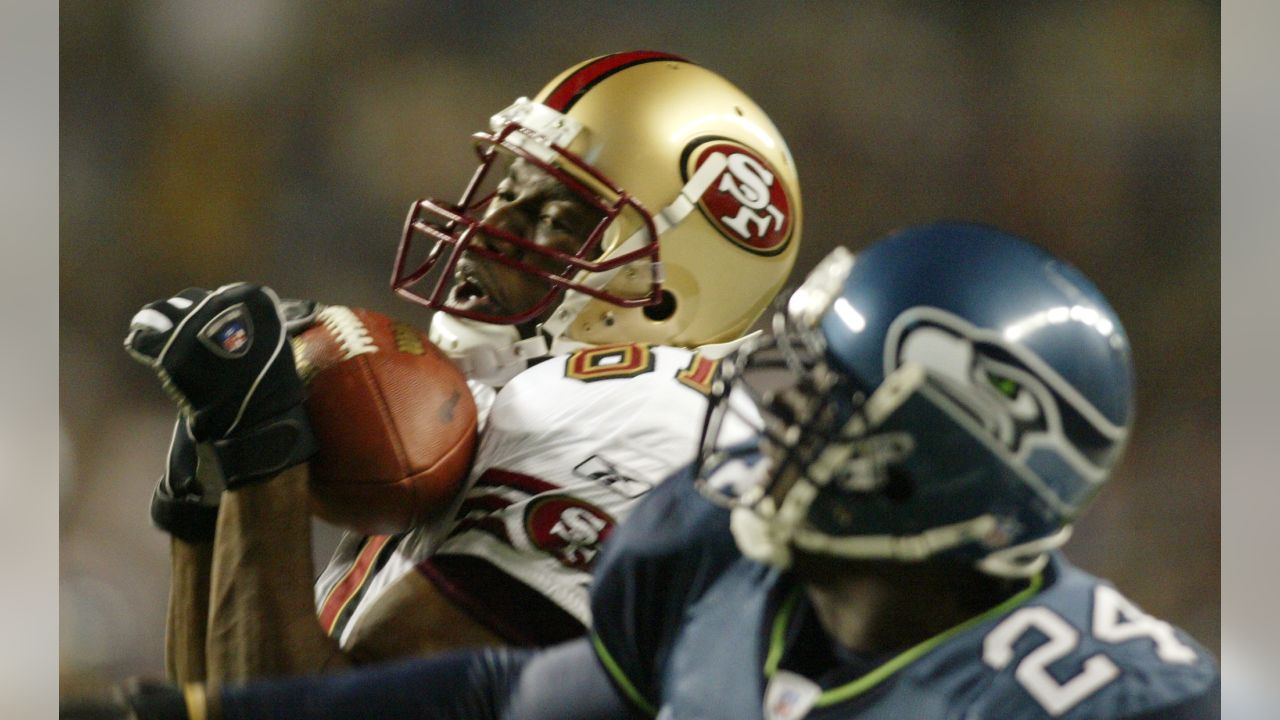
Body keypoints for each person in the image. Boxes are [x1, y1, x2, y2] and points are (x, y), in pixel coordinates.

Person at [90, 223, 1218, 719]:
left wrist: (260, 466)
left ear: (954, 467)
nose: (765, 417)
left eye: (823, 406)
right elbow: (506, 697)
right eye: (789, 375)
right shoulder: (711, 551)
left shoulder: (1117, 702)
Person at [122, 51, 802, 684]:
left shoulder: (640, 417)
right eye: (509, 189)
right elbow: (211, 705)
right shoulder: (504, 397)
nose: (493, 223)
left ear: (659, 297)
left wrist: (261, 452)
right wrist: (207, 511)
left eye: (559, 216)